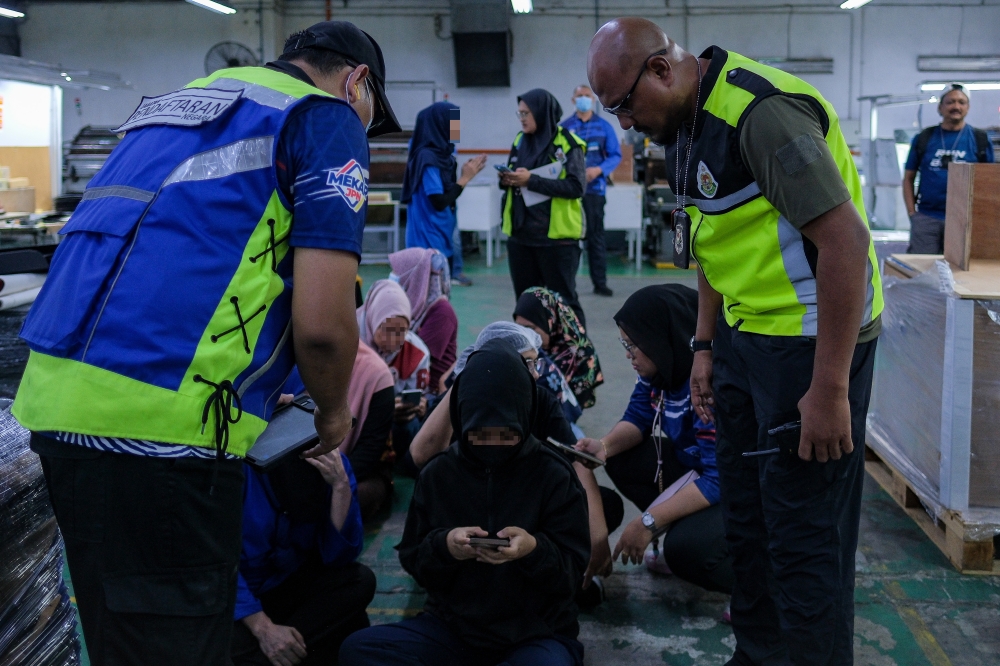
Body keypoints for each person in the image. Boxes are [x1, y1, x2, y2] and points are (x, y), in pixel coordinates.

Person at [12, 21, 400, 665]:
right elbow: (326, 329)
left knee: (118, 642)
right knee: (181, 646)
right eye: (369, 114)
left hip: (55, 411)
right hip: (168, 430)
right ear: (357, 81)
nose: (361, 126)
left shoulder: (188, 103)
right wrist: (332, 413)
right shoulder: (325, 117)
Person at [588, 18, 883, 666]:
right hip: (742, 340)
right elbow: (711, 242)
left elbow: (846, 243)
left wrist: (830, 387)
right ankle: (756, 654)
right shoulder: (683, 127)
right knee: (749, 524)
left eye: (624, 107)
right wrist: (702, 346)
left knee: (805, 539)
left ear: (661, 71)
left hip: (809, 347)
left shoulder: (760, 115)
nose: (625, 125)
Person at [339, 339, 591, 666]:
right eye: (479, 434)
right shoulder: (439, 474)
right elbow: (415, 559)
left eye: (507, 435)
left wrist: (533, 550)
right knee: (359, 650)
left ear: (525, 415)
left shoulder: (554, 476)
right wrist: (446, 545)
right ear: (462, 417)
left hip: (535, 634)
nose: (493, 445)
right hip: (453, 629)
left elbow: (573, 575)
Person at [406, 323, 625, 605]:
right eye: (528, 363)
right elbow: (421, 455)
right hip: (470, 505)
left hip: (526, 501)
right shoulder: (465, 398)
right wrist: (469, 379)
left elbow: (576, 460)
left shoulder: (539, 400)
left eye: (537, 363)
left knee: (603, 506)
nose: (535, 373)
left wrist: (597, 537)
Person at [574, 285, 734, 597]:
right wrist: (603, 447)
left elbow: (720, 479)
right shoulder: (660, 371)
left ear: (663, 340)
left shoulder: (706, 388)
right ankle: (686, 530)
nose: (628, 354)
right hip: (697, 471)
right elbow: (638, 418)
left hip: (734, 487)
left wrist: (647, 522)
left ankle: (751, 586)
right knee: (620, 457)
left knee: (684, 551)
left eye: (633, 345)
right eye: (625, 344)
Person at [232, 450, 375, 666]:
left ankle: (278, 653)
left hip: (289, 583)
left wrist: (340, 487)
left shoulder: (329, 462)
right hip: (238, 600)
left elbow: (337, 559)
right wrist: (264, 629)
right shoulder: (238, 470)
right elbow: (215, 567)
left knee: (359, 581)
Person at [500, 89, 589, 326]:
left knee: (565, 302)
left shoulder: (567, 143)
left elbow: (576, 186)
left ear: (541, 112)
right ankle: (531, 357)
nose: (522, 118)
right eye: (519, 113)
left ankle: (577, 356)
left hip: (556, 241)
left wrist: (531, 180)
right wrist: (508, 179)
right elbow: (514, 174)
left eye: (526, 113)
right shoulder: (520, 140)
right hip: (521, 237)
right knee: (526, 303)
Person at [402, 101, 487, 286]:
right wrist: (465, 178)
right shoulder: (427, 158)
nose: (458, 127)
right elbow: (439, 201)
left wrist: (467, 172)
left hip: (441, 237)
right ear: (440, 124)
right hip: (428, 245)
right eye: (453, 122)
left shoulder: (444, 156)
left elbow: (448, 193)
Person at [903, 83, 995, 254]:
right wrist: (912, 214)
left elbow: (989, 182)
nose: (956, 106)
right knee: (921, 273)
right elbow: (908, 178)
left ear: (968, 107)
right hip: (927, 218)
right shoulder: (924, 138)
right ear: (940, 107)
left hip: (964, 219)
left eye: (961, 102)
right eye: (950, 102)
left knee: (962, 275)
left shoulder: (980, 139)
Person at [357, 279, 431, 463]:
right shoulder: (352, 341)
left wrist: (421, 407)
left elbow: (422, 394)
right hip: (357, 419)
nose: (396, 339)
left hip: (397, 423)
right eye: (389, 330)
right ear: (373, 319)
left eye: (402, 331)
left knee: (412, 424)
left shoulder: (417, 352)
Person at [560, 85, 622, 297]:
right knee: (569, 239)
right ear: (573, 100)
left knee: (596, 237)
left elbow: (615, 155)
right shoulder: (564, 127)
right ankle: (567, 285)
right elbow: (557, 155)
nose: (584, 99)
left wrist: (599, 170)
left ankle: (600, 283)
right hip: (570, 192)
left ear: (594, 99)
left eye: (587, 96)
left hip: (595, 190)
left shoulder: (604, 127)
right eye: (580, 96)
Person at [513, 287, 603, 409]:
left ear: (550, 322)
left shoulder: (581, 355)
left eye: (530, 328)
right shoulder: (521, 345)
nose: (523, 335)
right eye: (519, 328)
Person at [389, 247, 458, 394]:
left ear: (416, 276)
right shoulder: (415, 307)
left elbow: (414, 357)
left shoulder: (442, 312)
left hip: (429, 392)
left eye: (397, 272)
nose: (392, 276)